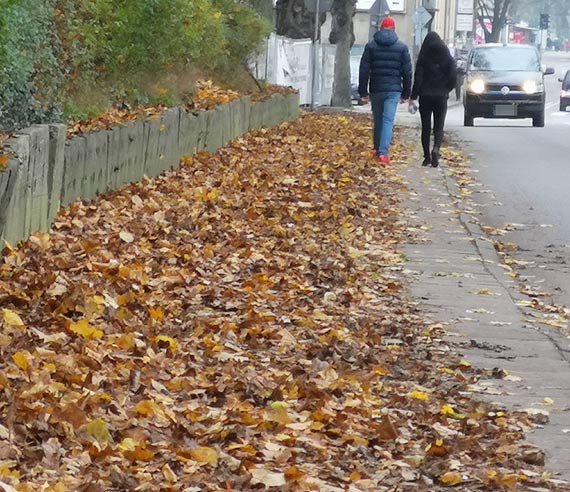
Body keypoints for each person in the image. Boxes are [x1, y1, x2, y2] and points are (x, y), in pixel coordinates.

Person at [358, 16, 412, 165]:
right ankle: (383, 153)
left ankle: (377, 149)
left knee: (378, 120)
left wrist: (363, 92)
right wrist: (406, 93)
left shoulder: (371, 46)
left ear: (381, 28)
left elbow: (364, 70)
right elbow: (407, 72)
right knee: (388, 120)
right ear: (394, 29)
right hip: (393, 90)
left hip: (376, 88)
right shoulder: (401, 47)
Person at [410, 31, 457, 168]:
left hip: (425, 96)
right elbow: (453, 76)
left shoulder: (423, 57)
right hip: (441, 96)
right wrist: (447, 88)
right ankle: (436, 148)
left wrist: (414, 96)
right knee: (438, 126)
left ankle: (426, 157)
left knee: (425, 127)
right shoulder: (447, 57)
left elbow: (418, 78)